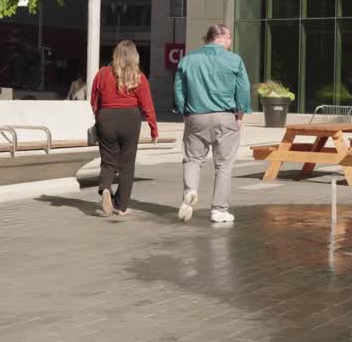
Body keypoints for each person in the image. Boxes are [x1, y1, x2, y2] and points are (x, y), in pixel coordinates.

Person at [174, 24, 251, 224]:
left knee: (192, 159)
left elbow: (179, 89)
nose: (231, 42)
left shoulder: (188, 59)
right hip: (225, 117)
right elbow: (243, 90)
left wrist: (184, 111)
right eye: (230, 37)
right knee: (224, 165)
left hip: (196, 116)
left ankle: (190, 190)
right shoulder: (234, 60)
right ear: (221, 37)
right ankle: (219, 210)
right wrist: (240, 114)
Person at [90, 41, 158, 216]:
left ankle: (105, 188)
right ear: (135, 57)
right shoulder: (138, 77)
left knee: (108, 161)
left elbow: (94, 99)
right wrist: (153, 129)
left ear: (116, 55)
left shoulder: (102, 74)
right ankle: (121, 207)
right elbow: (147, 105)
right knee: (127, 165)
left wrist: (99, 117)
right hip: (130, 118)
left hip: (107, 117)